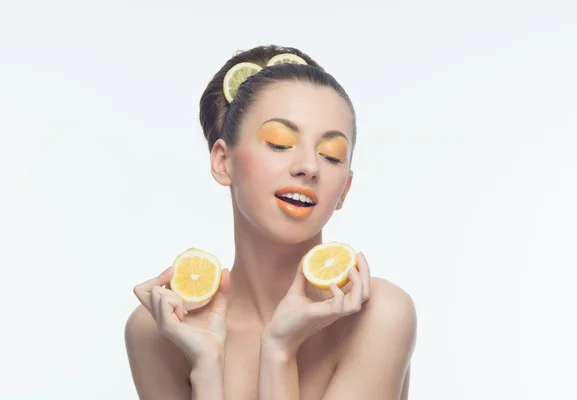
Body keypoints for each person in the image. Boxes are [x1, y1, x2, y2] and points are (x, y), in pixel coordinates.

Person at [125, 44, 417, 400]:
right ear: (222, 161)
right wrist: (206, 365)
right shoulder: (158, 330)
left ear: (344, 190)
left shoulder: (380, 317)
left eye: (331, 155)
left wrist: (279, 351)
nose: (309, 166)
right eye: (280, 143)